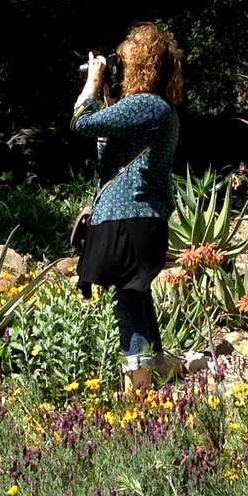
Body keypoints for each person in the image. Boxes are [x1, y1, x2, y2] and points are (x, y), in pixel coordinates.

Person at [71, 22, 183, 395]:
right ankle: (157, 373)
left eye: (122, 64)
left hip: (130, 218)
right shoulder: (152, 110)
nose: (117, 69)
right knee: (136, 294)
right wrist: (107, 97)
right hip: (139, 219)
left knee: (129, 300)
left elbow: (81, 124)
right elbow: (109, 156)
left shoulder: (147, 105)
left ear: (141, 67)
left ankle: (139, 392)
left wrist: (89, 85)